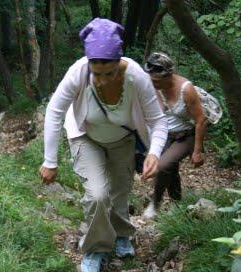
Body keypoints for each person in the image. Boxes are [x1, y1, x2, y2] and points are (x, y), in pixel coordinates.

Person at [39, 19, 168, 272]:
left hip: (123, 141)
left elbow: (158, 121)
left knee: (120, 191)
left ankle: (121, 233)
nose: (100, 80)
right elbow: (54, 112)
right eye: (96, 73)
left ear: (119, 63)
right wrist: (50, 160)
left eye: (108, 73)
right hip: (86, 137)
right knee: (97, 195)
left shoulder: (136, 77)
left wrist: (154, 152)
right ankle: (96, 248)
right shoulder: (78, 72)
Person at [142, 52, 208, 220]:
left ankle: (154, 203)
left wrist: (197, 151)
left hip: (186, 135)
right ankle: (177, 202)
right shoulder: (153, 84)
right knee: (170, 169)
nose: (152, 83)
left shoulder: (186, 89)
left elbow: (201, 120)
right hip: (163, 134)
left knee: (163, 165)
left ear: (168, 76)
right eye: (150, 79)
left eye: (156, 81)